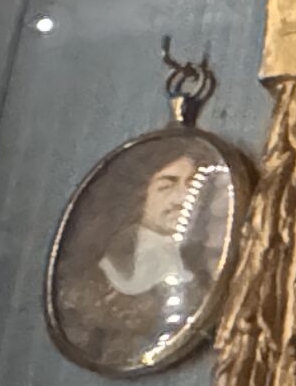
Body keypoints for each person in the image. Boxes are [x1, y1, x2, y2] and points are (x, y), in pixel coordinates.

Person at [58, 144, 220, 367]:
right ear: (140, 194)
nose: (181, 199)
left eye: (193, 187)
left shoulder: (207, 272)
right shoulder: (92, 285)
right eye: (166, 186)